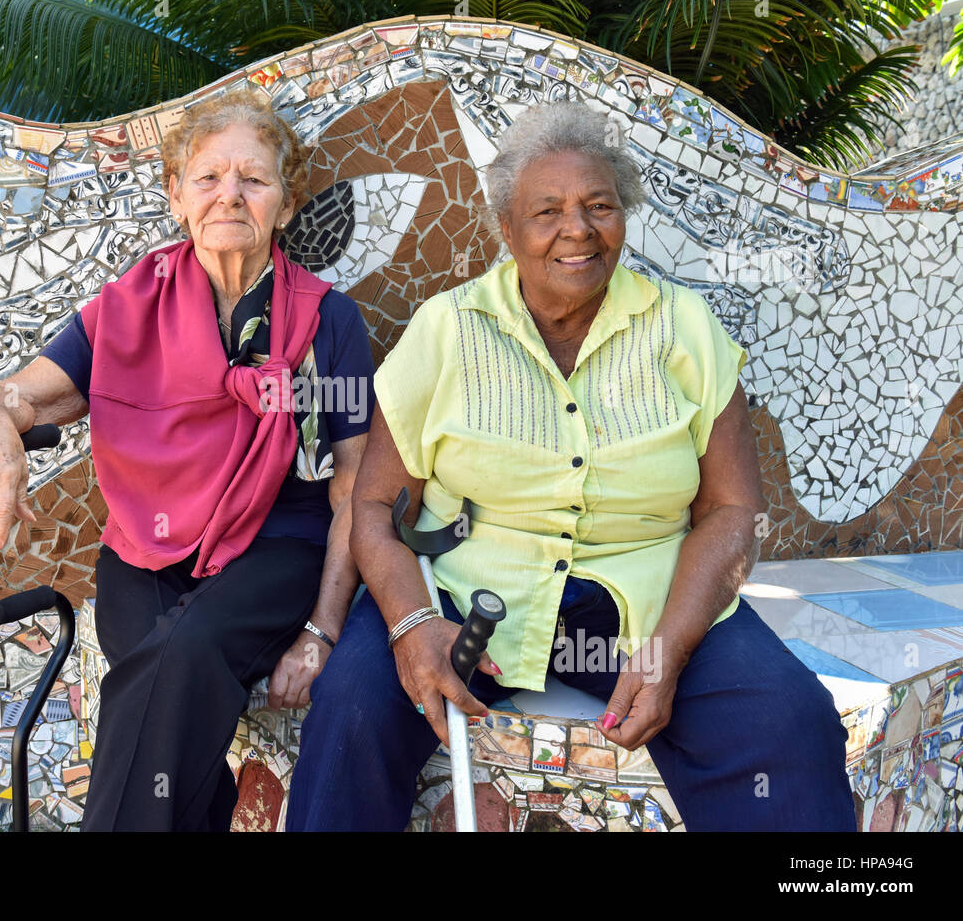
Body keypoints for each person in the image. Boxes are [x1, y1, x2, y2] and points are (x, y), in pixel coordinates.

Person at [285, 101, 857, 831]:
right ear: (507, 229)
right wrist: (410, 621)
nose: (577, 230)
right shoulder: (448, 328)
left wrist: (668, 649)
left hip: (643, 599)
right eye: (547, 210)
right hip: (464, 590)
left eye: (599, 206)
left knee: (790, 721)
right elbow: (374, 509)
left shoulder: (683, 328)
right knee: (353, 708)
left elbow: (729, 511)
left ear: (624, 216)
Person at [0, 90, 374, 831]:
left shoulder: (328, 321)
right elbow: (26, 397)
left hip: (279, 545)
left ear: (287, 198)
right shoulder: (126, 307)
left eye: (253, 179)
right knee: (166, 683)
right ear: (176, 196)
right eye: (207, 178)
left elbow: (357, 491)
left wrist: (322, 630)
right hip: (145, 545)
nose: (229, 196)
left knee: (181, 651)